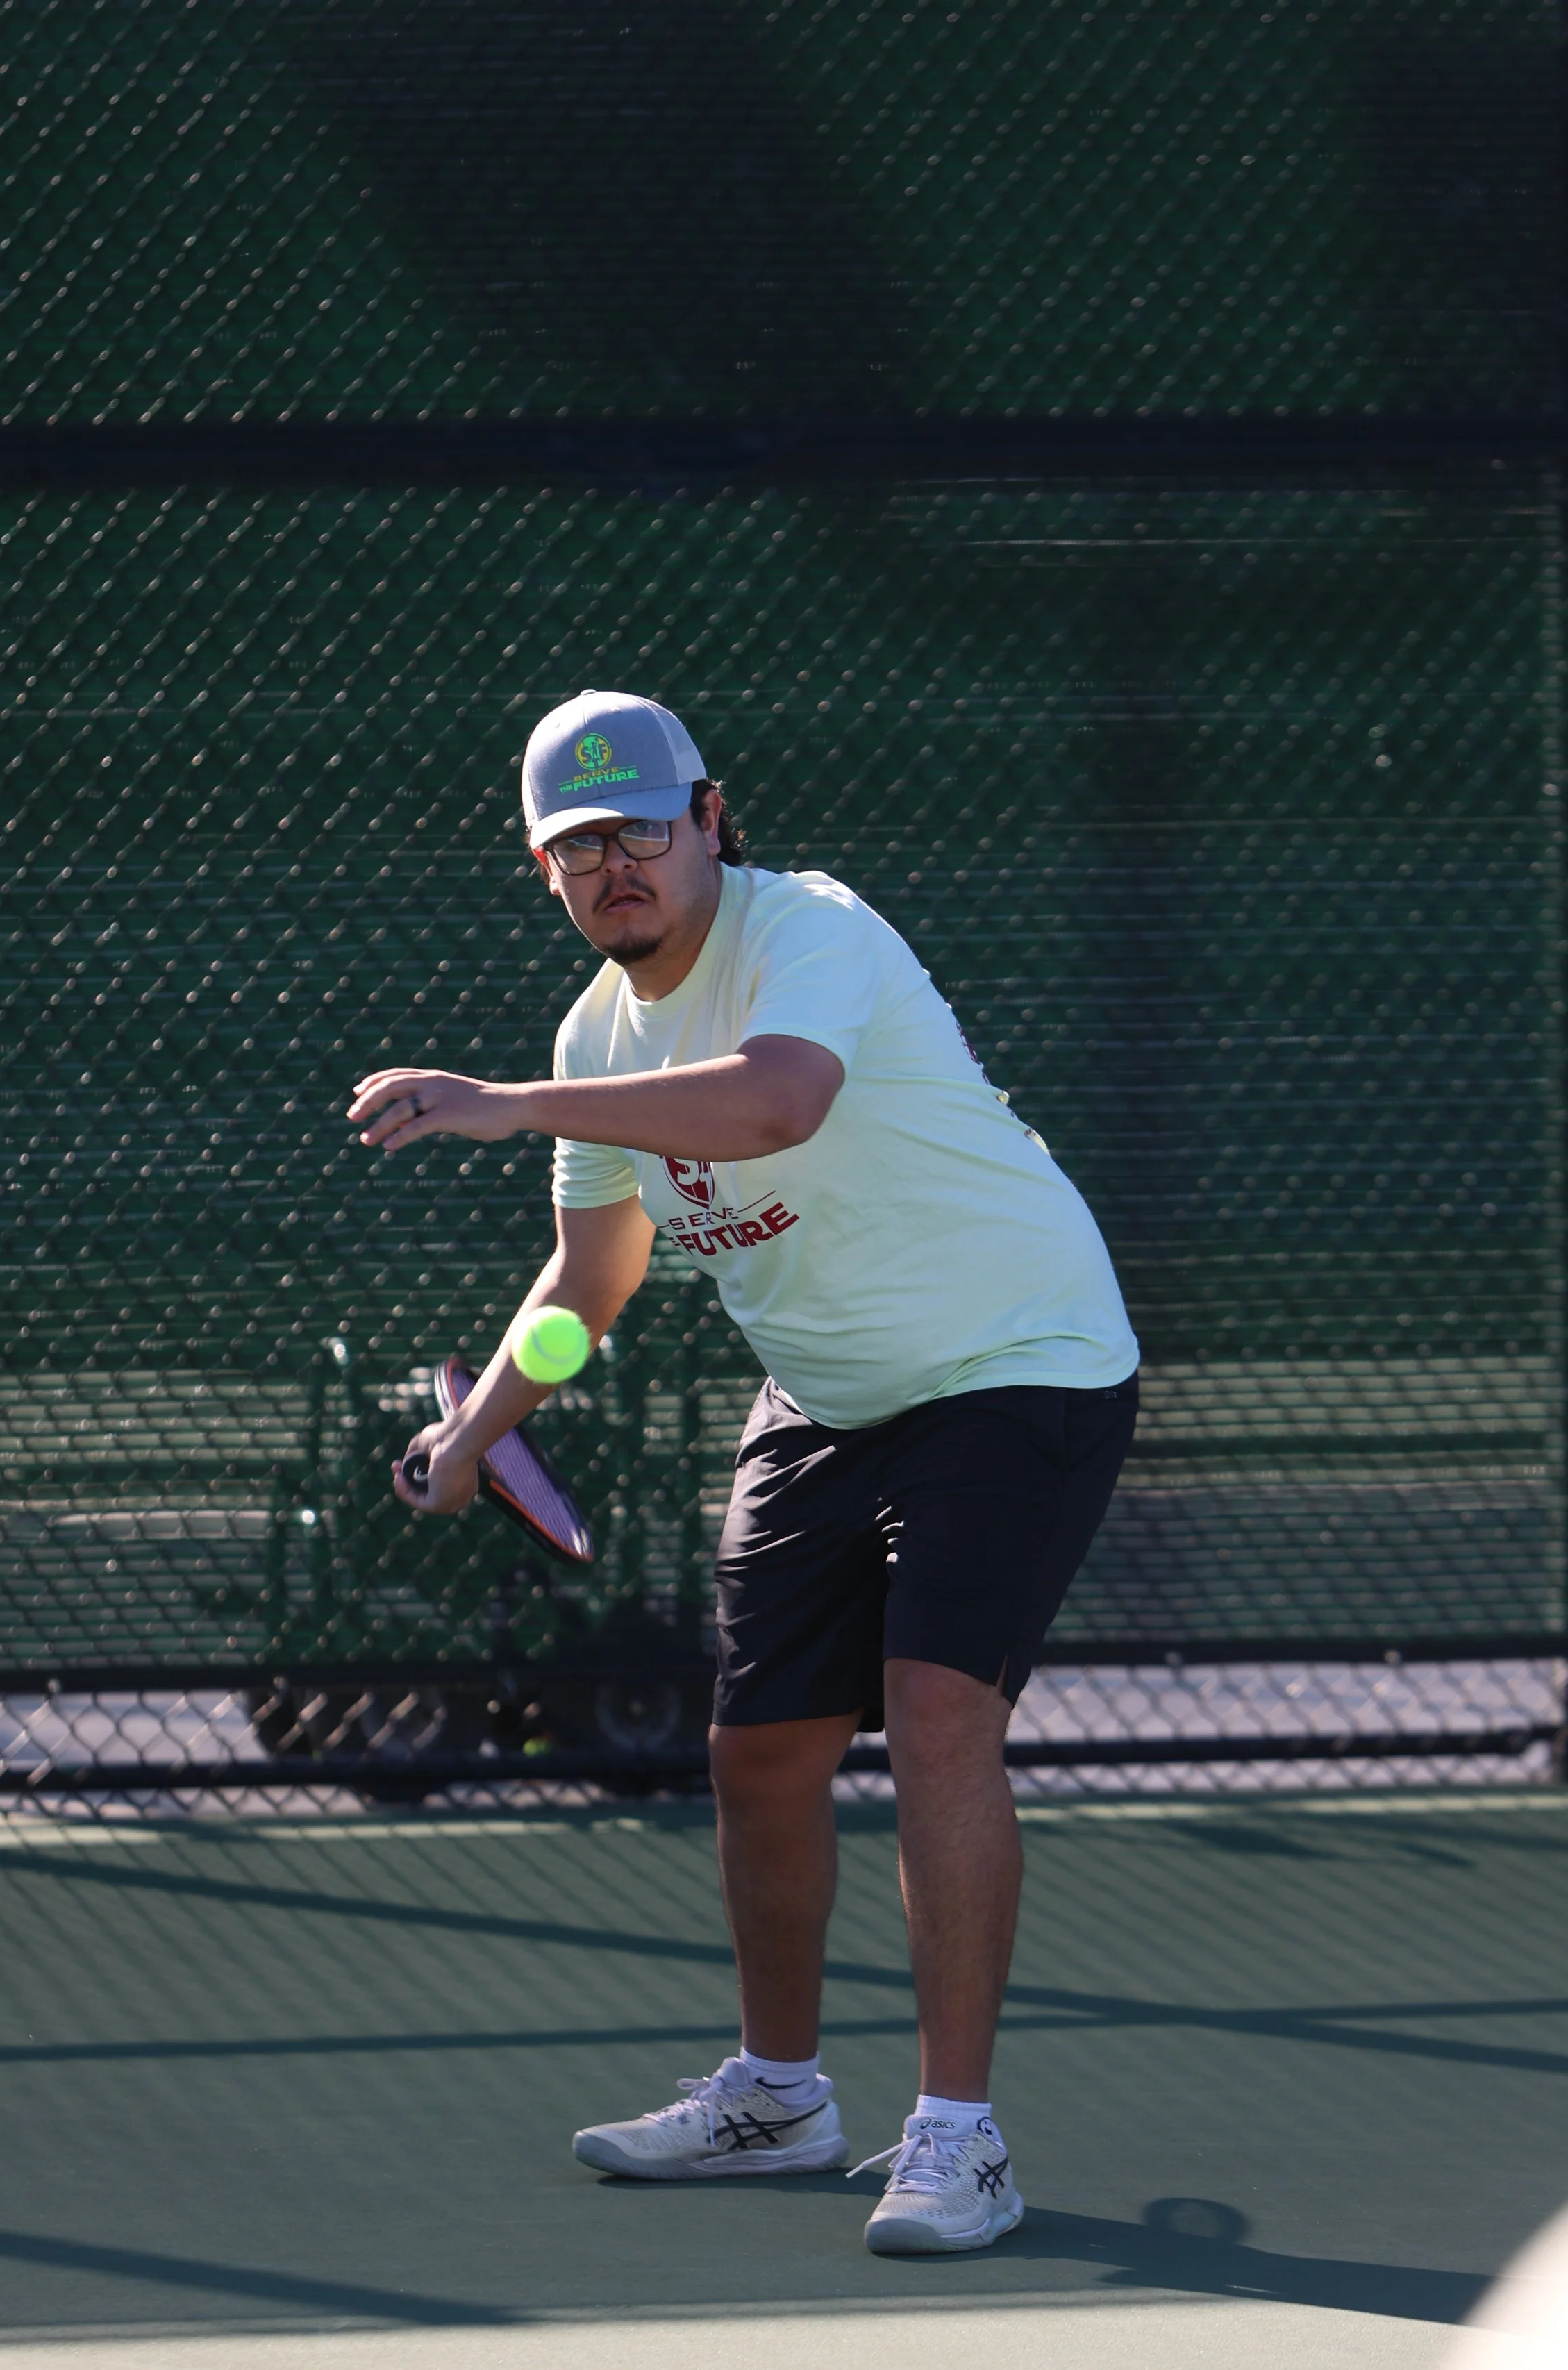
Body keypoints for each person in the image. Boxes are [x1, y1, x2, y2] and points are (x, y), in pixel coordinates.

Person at [347, 690, 1139, 2256]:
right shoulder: (594, 1037)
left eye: (639, 827)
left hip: (1015, 1358)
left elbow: (778, 1101)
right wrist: (478, 1430)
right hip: (826, 1398)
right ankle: (779, 2100)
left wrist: (503, 1108)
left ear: (709, 820)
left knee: (932, 1722)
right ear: (545, 872)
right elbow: (591, 1286)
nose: (613, 865)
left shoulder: (810, 934)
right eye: (578, 847)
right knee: (759, 1755)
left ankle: (960, 2140)